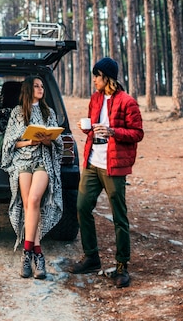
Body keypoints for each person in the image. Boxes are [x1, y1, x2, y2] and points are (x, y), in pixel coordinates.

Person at [68, 57, 143, 288]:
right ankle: (91, 257)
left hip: (113, 165)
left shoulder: (127, 101)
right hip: (92, 162)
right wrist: (87, 128)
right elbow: (93, 125)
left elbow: (137, 133)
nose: (93, 80)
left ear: (106, 77)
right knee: (81, 207)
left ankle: (122, 266)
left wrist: (113, 131)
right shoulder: (95, 98)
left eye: (96, 76)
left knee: (119, 216)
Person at [1, 76, 63, 279]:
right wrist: (27, 142)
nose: (41, 89)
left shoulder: (49, 113)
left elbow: (58, 143)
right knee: (28, 205)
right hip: (22, 162)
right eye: (36, 86)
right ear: (28, 89)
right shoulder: (18, 113)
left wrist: (47, 141)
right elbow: (9, 144)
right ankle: (37, 254)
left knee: (35, 199)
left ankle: (27, 253)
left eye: (42, 86)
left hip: (43, 161)